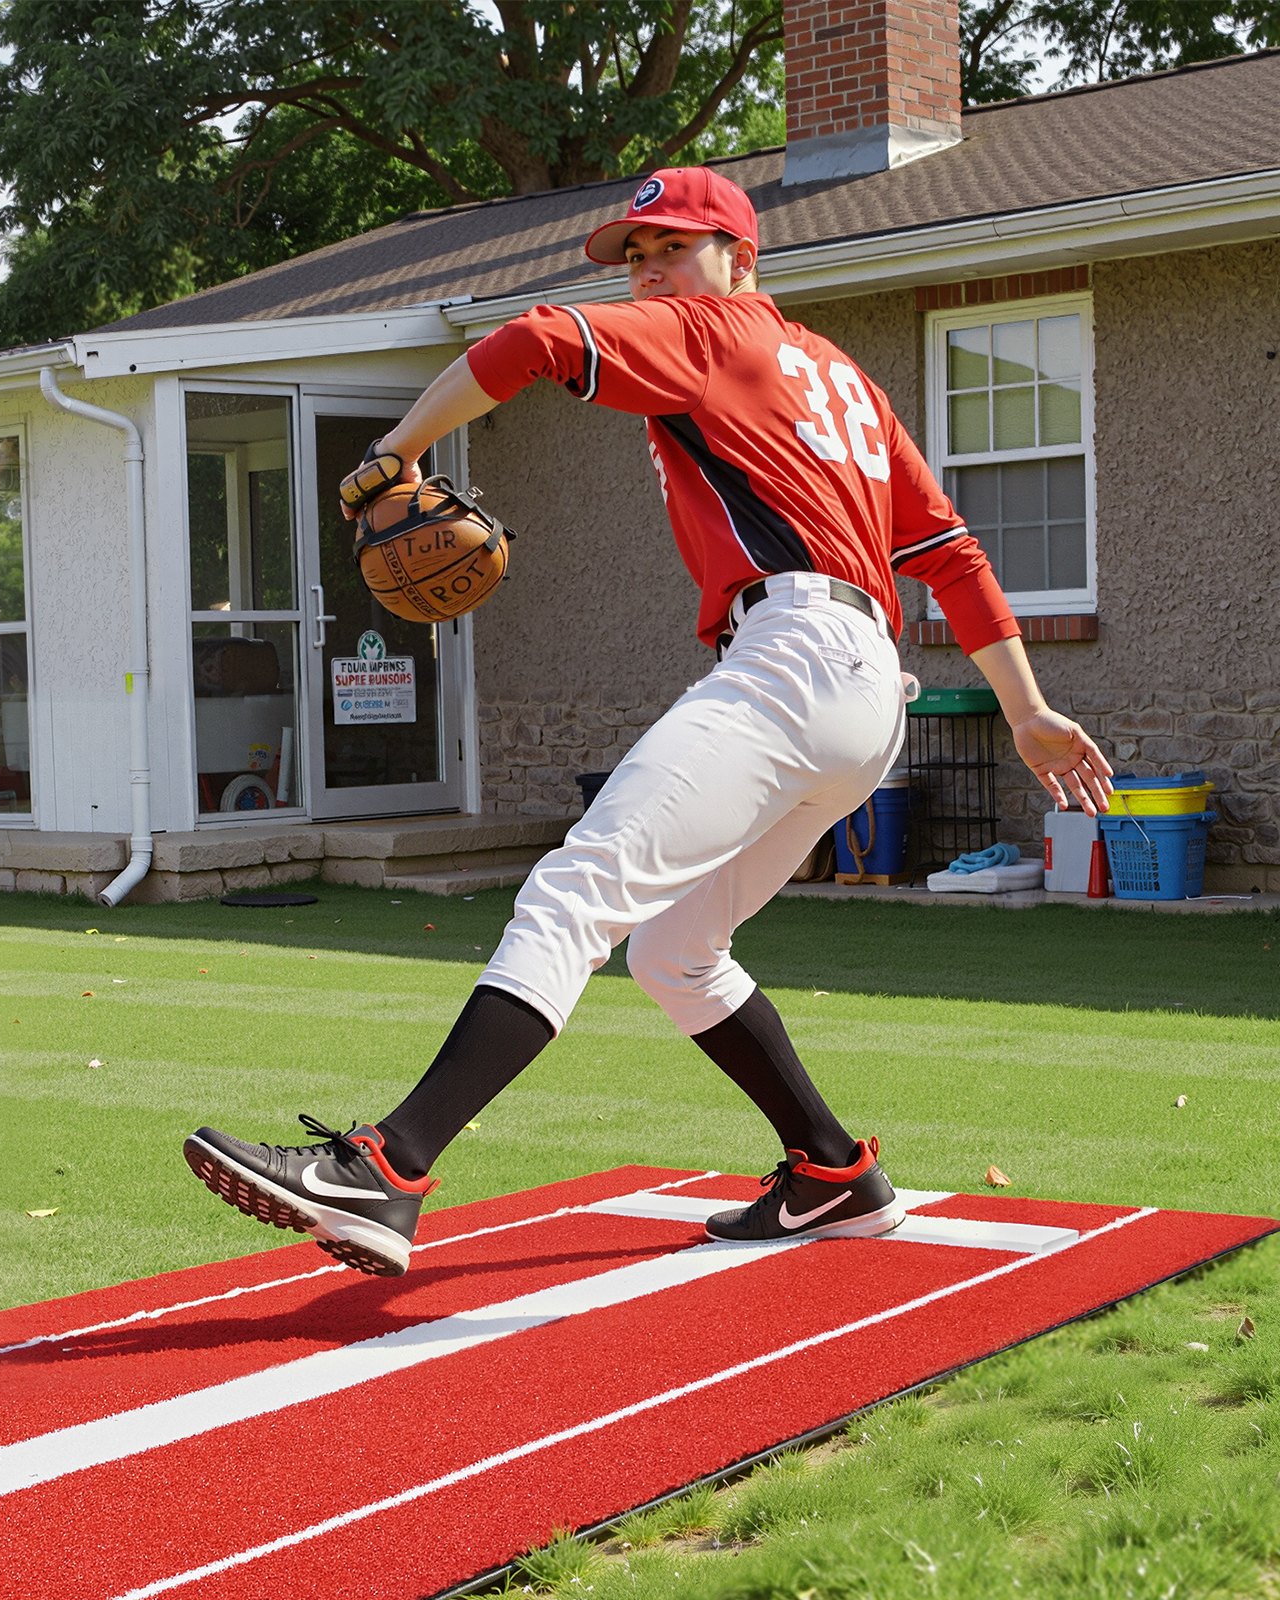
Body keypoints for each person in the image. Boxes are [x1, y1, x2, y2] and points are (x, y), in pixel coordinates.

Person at [184, 166, 1114, 1278]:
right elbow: (944, 553)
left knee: (574, 890)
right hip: (863, 693)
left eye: (671, 246)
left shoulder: (711, 333)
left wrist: (396, 454)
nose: (648, 272)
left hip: (796, 658)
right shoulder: (842, 376)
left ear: (739, 259)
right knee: (676, 950)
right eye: (634, 256)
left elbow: (531, 340)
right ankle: (831, 1172)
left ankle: (386, 1168)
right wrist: (1028, 708)